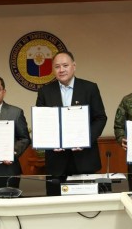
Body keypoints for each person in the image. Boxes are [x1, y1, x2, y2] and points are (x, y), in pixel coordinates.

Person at [36, 51, 107, 195]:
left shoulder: (90, 88)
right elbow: (42, 123)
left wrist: (85, 139)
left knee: (88, 206)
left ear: (74, 66)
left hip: (85, 159)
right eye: (57, 66)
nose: (61, 70)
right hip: (56, 162)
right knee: (56, 206)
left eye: (65, 65)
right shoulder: (45, 92)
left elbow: (100, 118)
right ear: (53, 70)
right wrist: (50, 142)